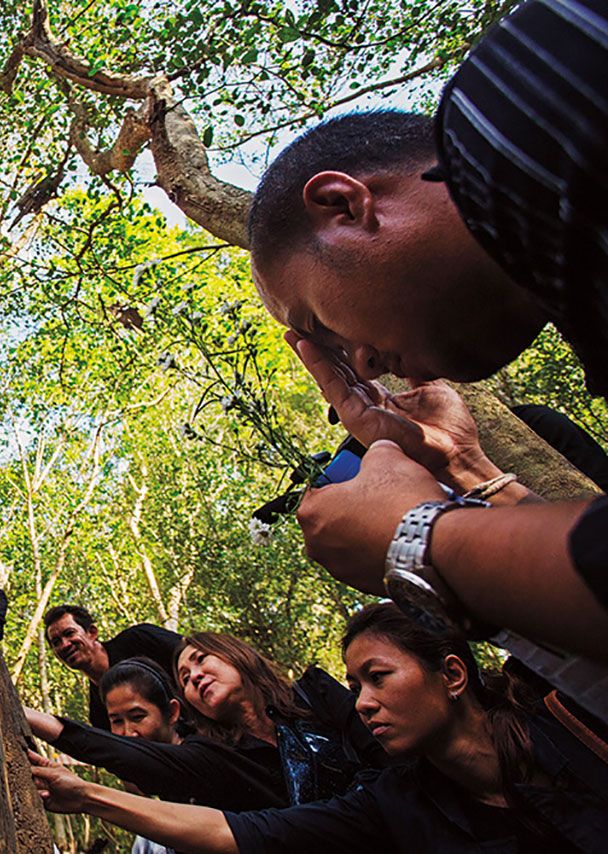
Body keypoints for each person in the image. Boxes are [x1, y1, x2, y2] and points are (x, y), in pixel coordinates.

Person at [245, 0, 608, 660]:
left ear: (344, 207)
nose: (360, 364)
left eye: (320, 327)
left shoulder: (524, 109)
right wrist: (462, 464)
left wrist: (420, 538)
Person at [31, 602, 608, 853]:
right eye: (183, 677)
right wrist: (84, 788)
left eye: (203, 661)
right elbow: (237, 829)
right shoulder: (391, 804)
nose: (364, 703)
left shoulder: (566, 725)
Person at [27, 636, 379, 810]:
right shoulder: (219, 759)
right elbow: (131, 754)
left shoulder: (316, 694)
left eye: (200, 660)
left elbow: (386, 755)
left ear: (235, 654)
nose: (194, 675)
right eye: (184, 675)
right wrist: (34, 719)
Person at [43, 604, 183, 730]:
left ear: (92, 632)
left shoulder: (140, 640)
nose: (65, 645)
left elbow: (193, 653)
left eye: (69, 633)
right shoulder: (98, 712)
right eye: (56, 642)